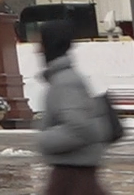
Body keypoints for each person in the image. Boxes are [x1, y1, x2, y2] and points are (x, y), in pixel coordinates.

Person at [36, 21, 111, 195]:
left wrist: (44, 140)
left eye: (40, 43)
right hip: (73, 170)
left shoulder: (65, 82)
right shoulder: (62, 79)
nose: (37, 50)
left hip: (72, 174)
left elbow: (79, 128)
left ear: (50, 44)